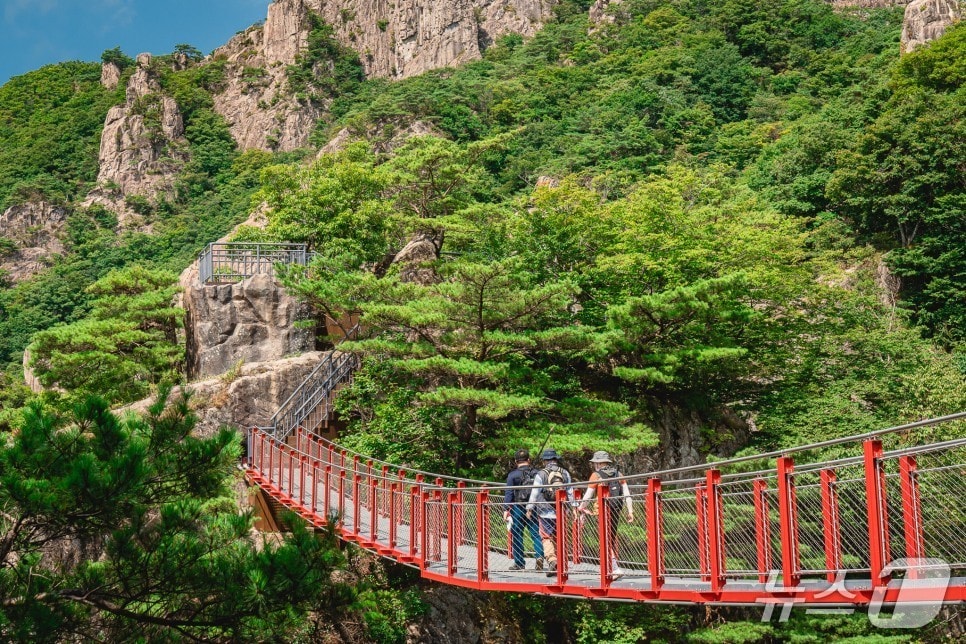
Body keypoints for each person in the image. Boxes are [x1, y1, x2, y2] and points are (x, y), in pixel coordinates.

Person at [579, 450, 634, 580]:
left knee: (605, 539)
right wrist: (630, 511)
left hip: (602, 511)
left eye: (594, 463)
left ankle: (615, 569)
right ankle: (609, 568)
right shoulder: (618, 474)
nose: (594, 465)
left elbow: (588, 495)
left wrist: (581, 507)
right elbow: (627, 494)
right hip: (616, 509)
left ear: (598, 463)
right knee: (611, 538)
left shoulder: (596, 475)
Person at [526, 448, 575, 577]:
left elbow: (535, 492)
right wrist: (574, 508)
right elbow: (570, 491)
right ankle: (562, 565)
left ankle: (552, 560)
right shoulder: (565, 473)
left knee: (545, 536)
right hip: (561, 509)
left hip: (545, 511)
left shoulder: (541, 474)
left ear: (544, 461)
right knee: (560, 537)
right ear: (555, 459)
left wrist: (529, 508)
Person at [503, 449, 545, 571]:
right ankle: (539, 557)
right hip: (534, 507)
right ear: (529, 460)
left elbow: (509, 493)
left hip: (518, 507)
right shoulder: (537, 473)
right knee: (536, 534)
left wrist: (506, 509)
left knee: (516, 534)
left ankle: (519, 563)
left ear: (516, 461)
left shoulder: (512, 475)